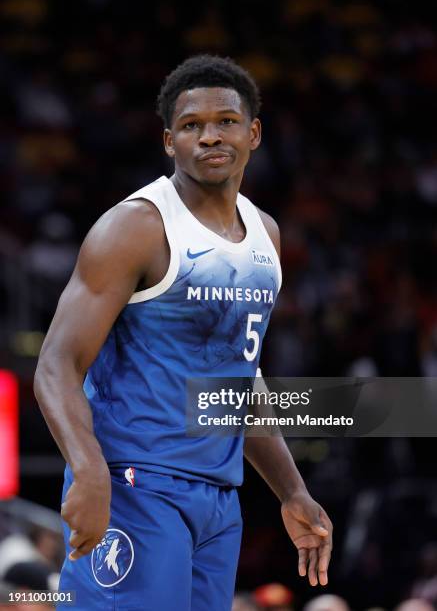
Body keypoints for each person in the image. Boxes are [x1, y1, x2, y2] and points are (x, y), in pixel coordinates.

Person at [34, 55, 333, 611]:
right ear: (170, 141)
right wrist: (89, 471)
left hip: (218, 501)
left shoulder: (265, 234)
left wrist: (291, 489)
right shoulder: (136, 227)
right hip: (135, 483)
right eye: (192, 126)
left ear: (254, 133)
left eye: (226, 121)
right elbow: (56, 364)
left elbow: (240, 380)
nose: (210, 136)